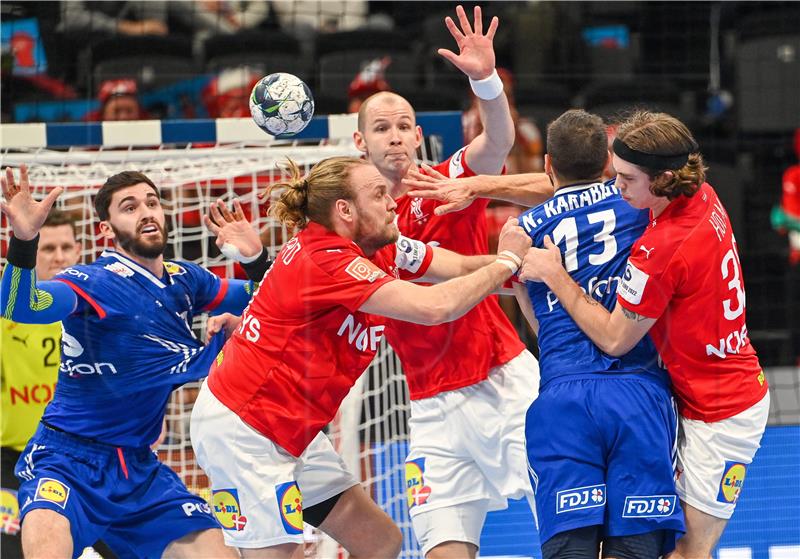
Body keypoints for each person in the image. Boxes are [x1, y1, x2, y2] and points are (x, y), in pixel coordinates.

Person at [190, 156, 532, 559]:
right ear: (345, 210)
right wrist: (508, 260)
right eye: (379, 195)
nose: (392, 203)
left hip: (293, 431)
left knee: (380, 542)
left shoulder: (381, 245)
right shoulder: (328, 258)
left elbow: (456, 267)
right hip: (245, 430)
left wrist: (533, 266)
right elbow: (435, 306)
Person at [519, 111, 770, 558]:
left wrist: (556, 276)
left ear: (663, 178)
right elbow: (574, 190)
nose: (615, 190)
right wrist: (479, 187)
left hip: (721, 411)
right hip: (696, 388)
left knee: (687, 553)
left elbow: (615, 340)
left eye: (625, 180)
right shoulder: (700, 192)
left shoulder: (664, 247)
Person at [352, 6, 549, 557]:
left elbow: (499, 139)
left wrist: (484, 79)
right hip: (432, 406)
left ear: (418, 135)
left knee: (569, 532)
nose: (394, 137)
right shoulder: (348, 225)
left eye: (402, 127)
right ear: (359, 141)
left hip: (504, 383)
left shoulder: (447, 181)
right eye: (381, 128)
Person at [0, 165, 266, 558]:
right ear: (105, 229)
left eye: (152, 202)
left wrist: (257, 258)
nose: (146, 212)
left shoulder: (186, 280)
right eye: (129, 206)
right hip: (65, 461)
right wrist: (23, 241)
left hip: (137, 469)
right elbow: (18, 304)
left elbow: (274, 299)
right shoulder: (92, 282)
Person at [513, 110, 684, 557]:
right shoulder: (641, 204)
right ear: (609, 162)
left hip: (563, 396)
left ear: (548, 164)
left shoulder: (522, 233)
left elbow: (533, 315)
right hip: (638, 390)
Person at [1, 209, 79, 558]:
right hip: (11, 461)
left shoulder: (93, 309)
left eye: (66, 247)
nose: (59, 257)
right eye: (48, 248)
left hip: (78, 457)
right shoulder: (7, 310)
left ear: (79, 250)